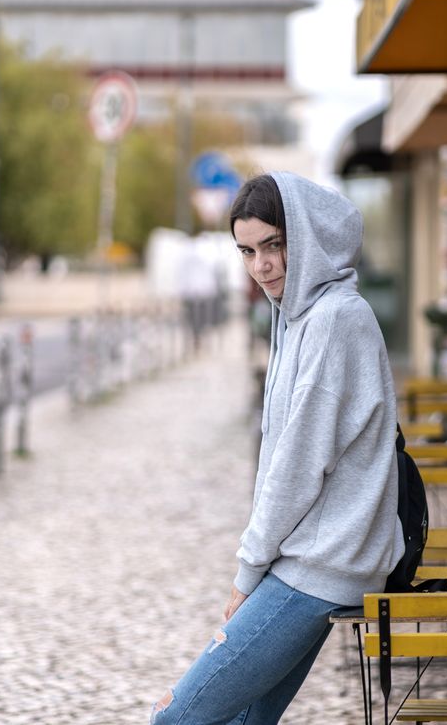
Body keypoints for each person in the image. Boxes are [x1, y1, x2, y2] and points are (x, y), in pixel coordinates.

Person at [151, 172, 404, 724]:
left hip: (322, 563)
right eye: (246, 251)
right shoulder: (294, 318)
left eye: (273, 245)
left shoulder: (336, 319)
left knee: (176, 717)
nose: (261, 266)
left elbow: (295, 468)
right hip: (309, 558)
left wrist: (247, 575)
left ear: (304, 237)